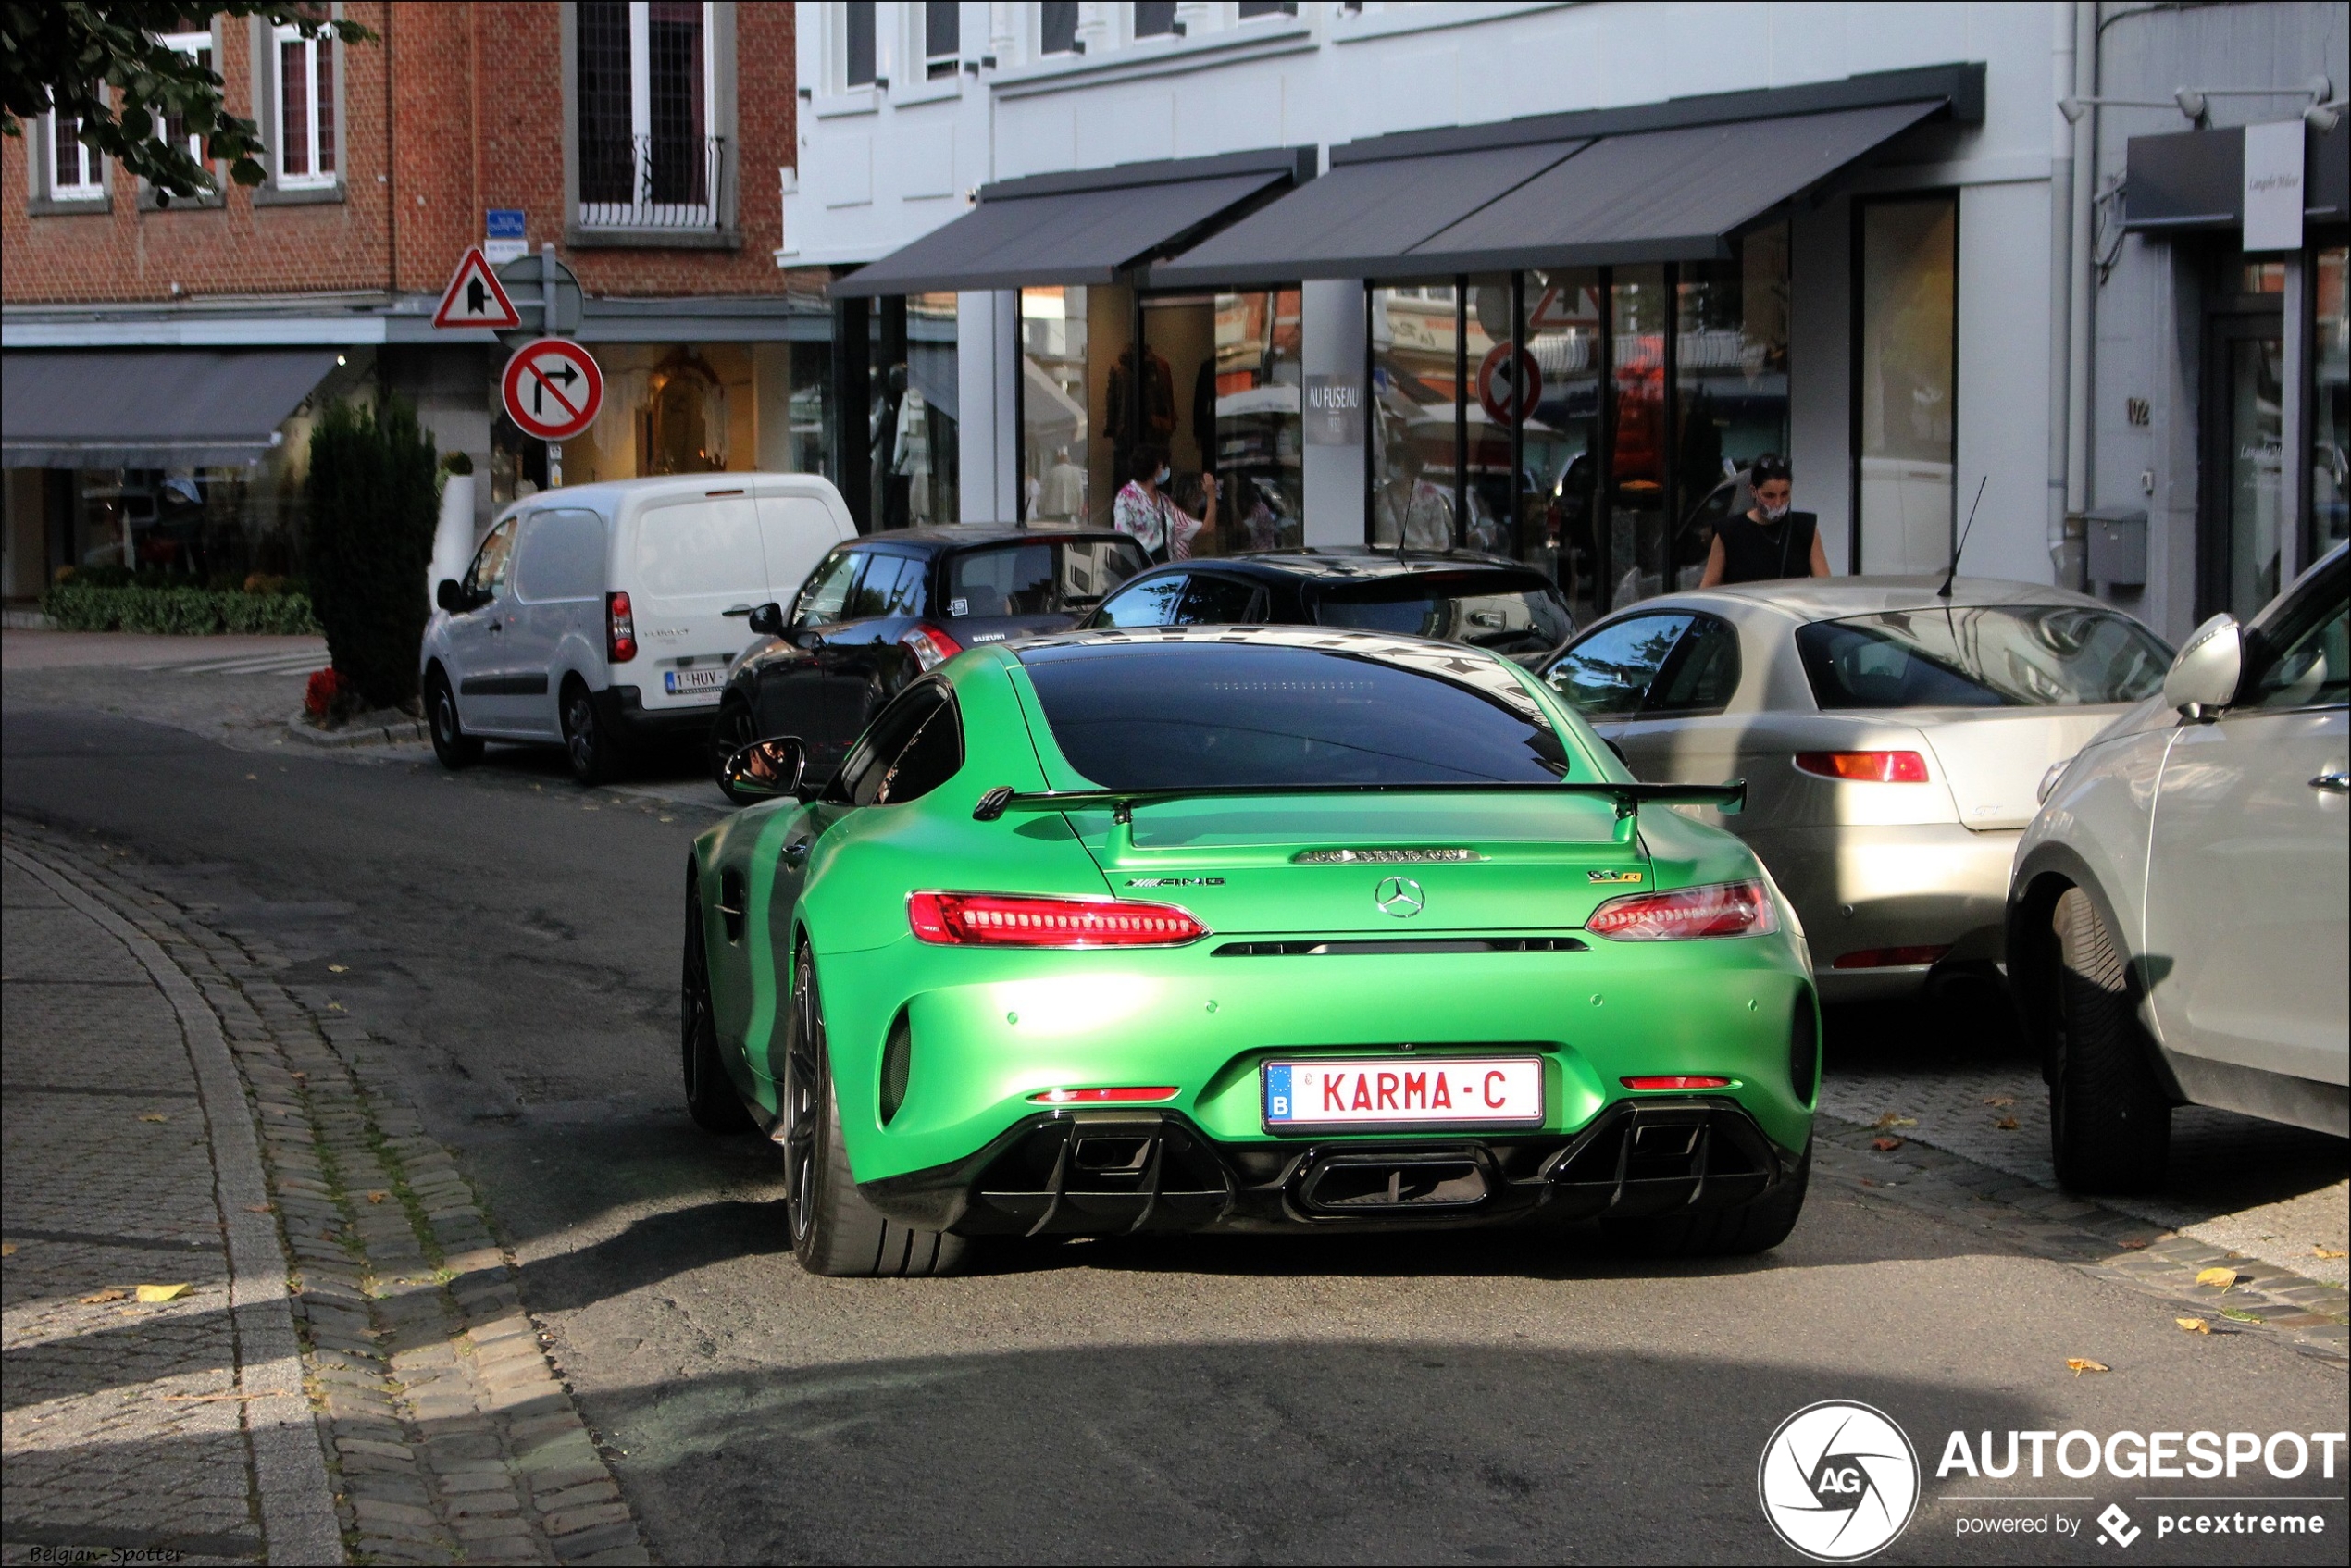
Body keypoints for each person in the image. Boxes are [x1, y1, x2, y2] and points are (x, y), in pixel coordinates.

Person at [1698, 455, 1829, 587]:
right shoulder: (1729, 531)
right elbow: (1708, 586)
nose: (1778, 503)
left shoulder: (1805, 527)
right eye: (1769, 496)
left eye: (1785, 494)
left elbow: (1824, 585)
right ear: (1753, 491)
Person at [1113, 444, 1215, 563]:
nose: (1165, 470)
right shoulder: (1126, 497)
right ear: (1151, 467)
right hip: (1142, 571)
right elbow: (1123, 542)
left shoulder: (1164, 500)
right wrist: (1211, 492)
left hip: (1165, 571)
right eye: (1162, 466)